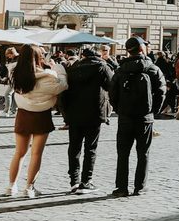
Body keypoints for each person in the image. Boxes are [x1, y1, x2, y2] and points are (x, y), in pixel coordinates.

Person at [108, 36, 167, 198]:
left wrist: (120, 109)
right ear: (142, 49)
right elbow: (162, 92)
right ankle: (140, 187)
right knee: (143, 153)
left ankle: (121, 187)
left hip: (125, 117)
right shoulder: (152, 68)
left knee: (123, 154)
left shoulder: (120, 70)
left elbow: (112, 94)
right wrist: (152, 111)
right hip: (145, 118)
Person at [9, 45, 67, 197]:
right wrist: (58, 69)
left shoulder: (16, 74)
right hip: (41, 115)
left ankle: (11, 186)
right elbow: (62, 86)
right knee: (36, 154)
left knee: (19, 153)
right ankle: (29, 188)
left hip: (23, 114)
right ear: (37, 58)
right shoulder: (48, 76)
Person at [64, 45, 114, 194]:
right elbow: (111, 85)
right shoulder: (102, 67)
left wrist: (66, 113)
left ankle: (74, 181)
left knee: (74, 147)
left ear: (83, 56)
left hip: (74, 112)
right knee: (90, 148)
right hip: (94, 111)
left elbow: (66, 90)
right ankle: (86, 181)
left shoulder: (73, 68)